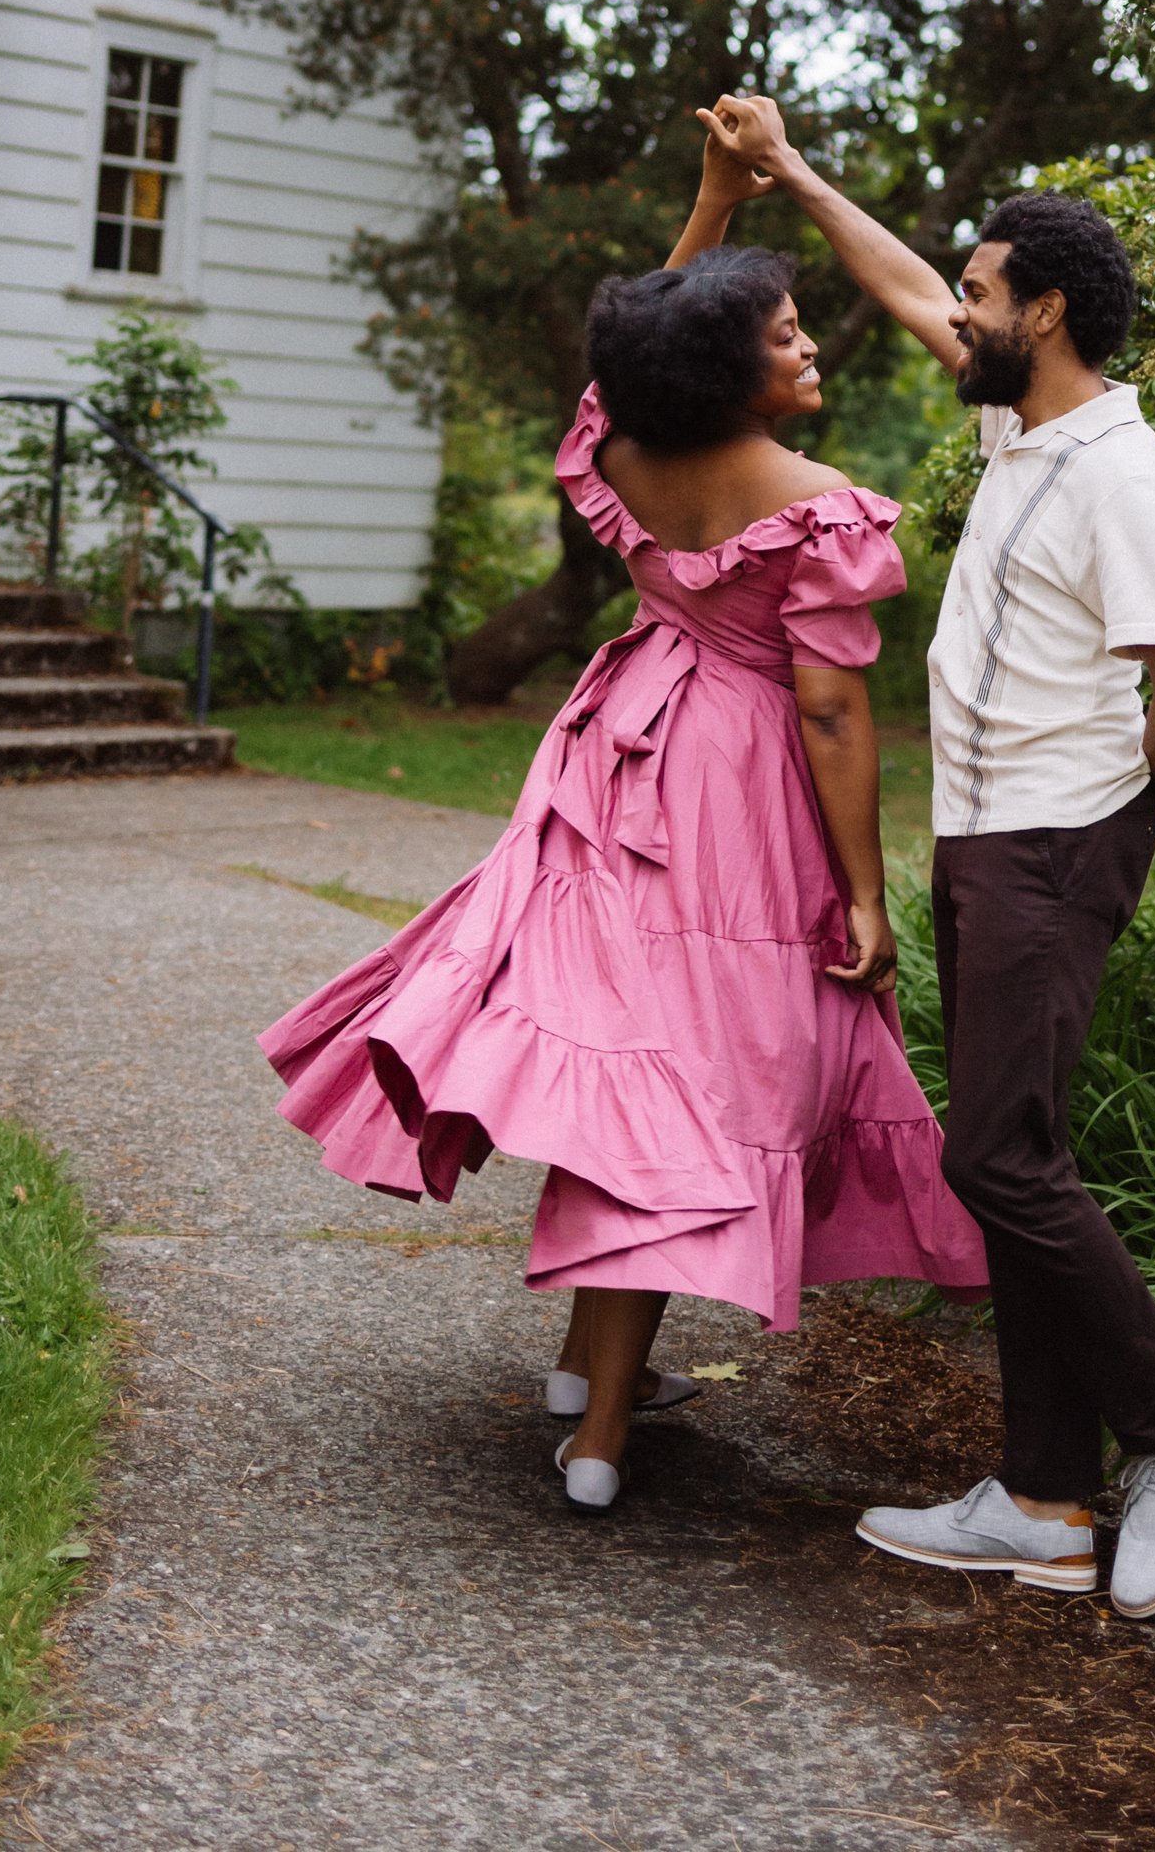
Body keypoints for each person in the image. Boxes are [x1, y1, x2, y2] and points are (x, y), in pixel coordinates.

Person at [258, 119, 987, 1512]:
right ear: (728, 370)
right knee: (692, 1090)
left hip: (619, 756)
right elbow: (833, 717)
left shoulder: (629, 458)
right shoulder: (822, 509)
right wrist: (870, 893)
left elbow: (629, 364)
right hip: (735, 786)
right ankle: (597, 1435)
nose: (810, 347)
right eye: (785, 335)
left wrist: (713, 202)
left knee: (629, 1063)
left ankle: (588, 1379)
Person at [695, 95, 1155, 1621]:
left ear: (1047, 313)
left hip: (1056, 845)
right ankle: (1049, 1501)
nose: (962, 307)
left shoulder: (1121, 476)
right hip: (994, 845)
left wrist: (1116, 809)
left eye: (987, 290)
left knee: (999, 1159)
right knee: (1018, 1163)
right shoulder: (1023, 420)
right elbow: (899, 284)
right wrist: (789, 173)